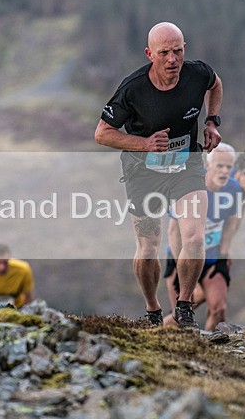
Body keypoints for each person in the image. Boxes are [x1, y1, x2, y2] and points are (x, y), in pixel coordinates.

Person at [94, 21, 223, 328]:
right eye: (164, 52)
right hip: (143, 171)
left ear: (184, 50)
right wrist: (144, 144)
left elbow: (216, 84)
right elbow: (102, 133)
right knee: (149, 246)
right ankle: (152, 309)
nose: (172, 60)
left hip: (186, 163)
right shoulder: (132, 89)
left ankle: (184, 306)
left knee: (193, 236)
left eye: (177, 51)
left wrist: (212, 121)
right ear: (149, 53)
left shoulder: (197, 73)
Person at [163, 147, 245, 330]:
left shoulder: (236, 188)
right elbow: (173, 230)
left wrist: (224, 254)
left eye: (228, 167)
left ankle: (209, 351)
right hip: (184, 257)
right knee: (180, 318)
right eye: (220, 166)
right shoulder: (188, 185)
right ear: (207, 166)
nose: (225, 171)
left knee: (218, 310)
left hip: (212, 256)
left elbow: (232, 222)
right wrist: (179, 262)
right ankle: (147, 336)